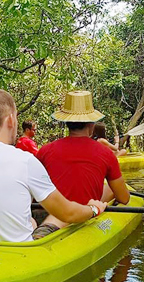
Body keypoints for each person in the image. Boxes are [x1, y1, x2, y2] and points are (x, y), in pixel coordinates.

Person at [0, 88, 107, 242]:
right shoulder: (25, 161)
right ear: (11, 120)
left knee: (32, 221)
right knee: (54, 217)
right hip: (16, 255)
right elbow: (68, 213)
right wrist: (93, 209)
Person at [35, 90, 130, 236]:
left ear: (66, 123)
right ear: (91, 124)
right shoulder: (105, 153)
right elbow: (124, 198)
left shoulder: (45, 150)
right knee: (111, 189)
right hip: (81, 213)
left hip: (53, 211)